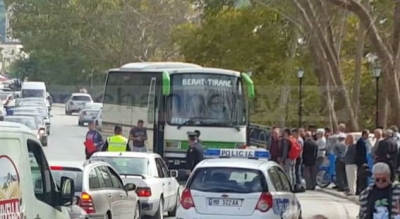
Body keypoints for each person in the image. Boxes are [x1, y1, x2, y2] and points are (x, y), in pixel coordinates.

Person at [356, 130, 370, 194]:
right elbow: (360, 153)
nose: (368, 136)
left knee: (362, 175)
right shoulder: (360, 142)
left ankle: (361, 188)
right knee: (360, 175)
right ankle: (359, 189)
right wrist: (363, 161)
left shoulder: (364, 142)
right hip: (361, 162)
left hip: (363, 161)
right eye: (367, 134)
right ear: (364, 134)